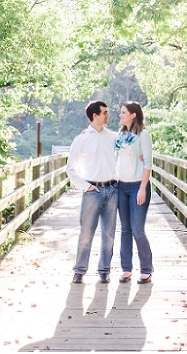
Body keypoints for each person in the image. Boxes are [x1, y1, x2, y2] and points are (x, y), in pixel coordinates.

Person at [65, 100, 119, 284]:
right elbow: (70, 169)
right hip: (92, 191)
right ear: (95, 115)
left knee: (109, 234)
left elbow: (132, 149)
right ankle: (79, 271)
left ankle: (104, 270)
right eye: (105, 112)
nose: (108, 115)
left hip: (112, 189)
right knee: (86, 233)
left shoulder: (114, 137)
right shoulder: (81, 140)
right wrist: (86, 186)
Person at [115, 101, 154, 284]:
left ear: (133, 115)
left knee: (137, 229)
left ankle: (146, 269)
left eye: (123, 112)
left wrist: (142, 189)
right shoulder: (121, 135)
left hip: (138, 186)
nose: (120, 115)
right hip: (121, 186)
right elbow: (111, 151)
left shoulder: (143, 135)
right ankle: (126, 269)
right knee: (125, 229)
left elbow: (147, 163)